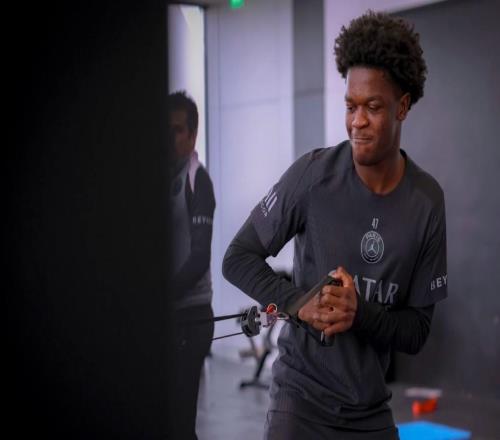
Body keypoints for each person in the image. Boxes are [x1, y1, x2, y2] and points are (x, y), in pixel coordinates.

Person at [222, 10, 447, 440]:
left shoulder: (427, 202)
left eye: (373, 107)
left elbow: (417, 331)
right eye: (350, 106)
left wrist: (360, 312)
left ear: (402, 106)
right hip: (300, 402)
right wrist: (298, 303)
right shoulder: (313, 175)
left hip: (369, 410)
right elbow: (237, 258)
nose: (357, 121)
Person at [169, 91, 215, 439]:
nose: (169, 138)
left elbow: (200, 258)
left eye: (177, 130)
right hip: (168, 317)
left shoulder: (198, 180)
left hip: (192, 318)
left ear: (193, 135)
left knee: (180, 425)